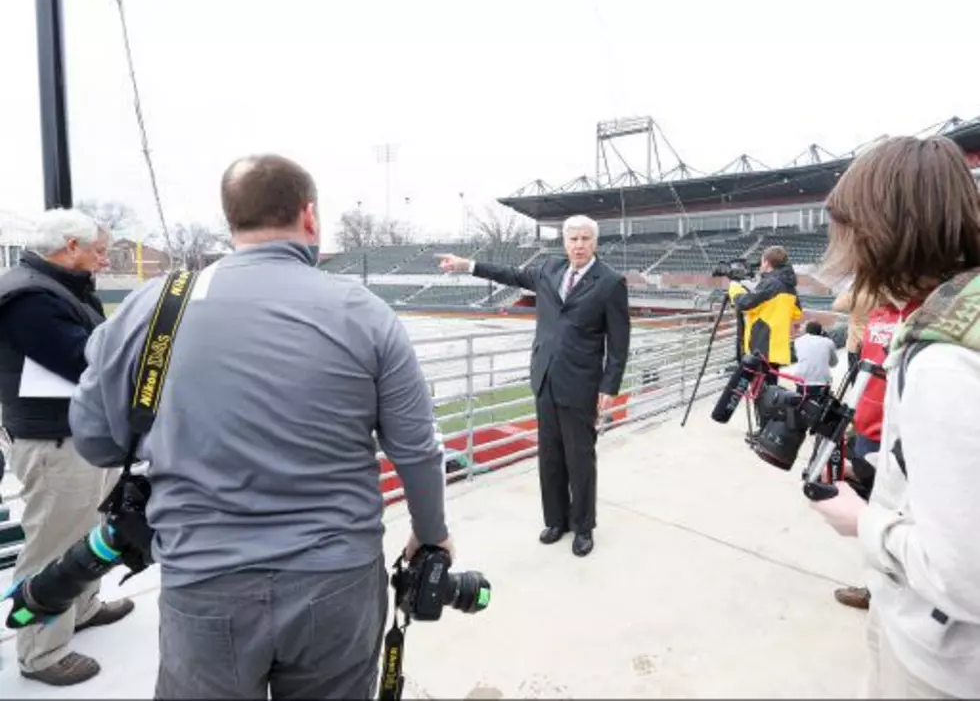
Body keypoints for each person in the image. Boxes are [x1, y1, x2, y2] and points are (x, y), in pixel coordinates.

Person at [69, 154, 452, 700]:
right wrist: (432, 533)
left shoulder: (151, 310)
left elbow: (95, 441)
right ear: (310, 217)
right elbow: (416, 449)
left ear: (231, 220)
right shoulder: (363, 312)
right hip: (337, 583)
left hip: (203, 584)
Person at [810, 136, 980, 699]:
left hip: (940, 661)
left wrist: (863, 523)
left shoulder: (945, 364)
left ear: (883, 232)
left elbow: (965, 576)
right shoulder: (956, 309)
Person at [436, 215, 630, 557]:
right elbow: (509, 274)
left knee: (580, 459)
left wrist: (609, 387)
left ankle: (583, 526)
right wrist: (467, 265)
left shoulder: (610, 282)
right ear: (565, 242)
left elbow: (618, 342)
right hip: (545, 378)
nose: (579, 245)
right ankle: (556, 520)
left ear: (595, 242)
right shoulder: (549, 270)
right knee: (550, 456)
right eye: (573, 239)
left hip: (581, 384)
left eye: (585, 239)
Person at [0, 209, 132, 685]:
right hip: (54, 442)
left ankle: (82, 604)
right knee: (53, 543)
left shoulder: (60, 288)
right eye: (98, 250)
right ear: (70, 247)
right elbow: (83, 361)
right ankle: (40, 652)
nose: (103, 260)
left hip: (79, 435)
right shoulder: (29, 297)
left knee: (92, 526)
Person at [832, 295, 923, 611]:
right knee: (873, 508)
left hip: (895, 438)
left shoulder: (922, 315)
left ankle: (886, 590)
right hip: (866, 431)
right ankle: (876, 584)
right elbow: (868, 376)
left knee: (893, 517)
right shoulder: (877, 315)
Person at [728, 245, 802, 426]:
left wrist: (735, 289)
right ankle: (768, 426)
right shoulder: (789, 286)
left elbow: (745, 303)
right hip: (776, 347)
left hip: (761, 345)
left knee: (760, 390)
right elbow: (797, 312)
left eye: (762, 261)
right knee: (770, 388)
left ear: (767, 263)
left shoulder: (771, 283)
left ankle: (764, 427)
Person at [832, 286, 876, 374]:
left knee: (854, 375)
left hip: (855, 343)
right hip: (874, 343)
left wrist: (846, 292)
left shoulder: (854, 296)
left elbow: (836, 306)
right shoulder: (880, 296)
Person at [790, 320, 838, 400]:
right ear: (821, 332)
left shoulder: (797, 341)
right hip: (821, 384)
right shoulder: (829, 342)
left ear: (806, 331)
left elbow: (800, 357)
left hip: (801, 382)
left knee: (800, 404)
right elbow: (833, 363)